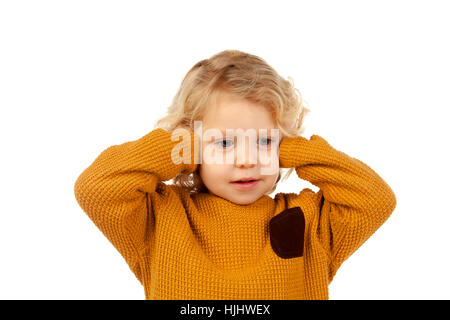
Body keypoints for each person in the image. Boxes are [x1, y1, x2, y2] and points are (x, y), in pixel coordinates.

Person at [73, 49, 396, 300]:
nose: (246, 160)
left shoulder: (310, 220)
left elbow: (375, 200)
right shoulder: (158, 218)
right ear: (191, 144)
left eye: (264, 141)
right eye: (225, 142)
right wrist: (180, 145)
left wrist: (296, 150)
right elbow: (97, 188)